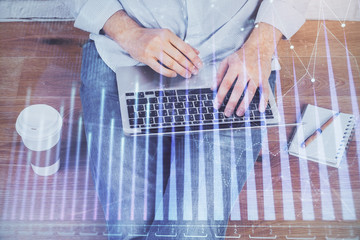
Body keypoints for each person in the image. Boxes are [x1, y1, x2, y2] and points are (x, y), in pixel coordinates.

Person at [70, 0, 308, 239]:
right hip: (124, 52)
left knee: (192, 231)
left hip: (233, 58)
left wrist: (261, 46)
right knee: (129, 229)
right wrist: (128, 32)